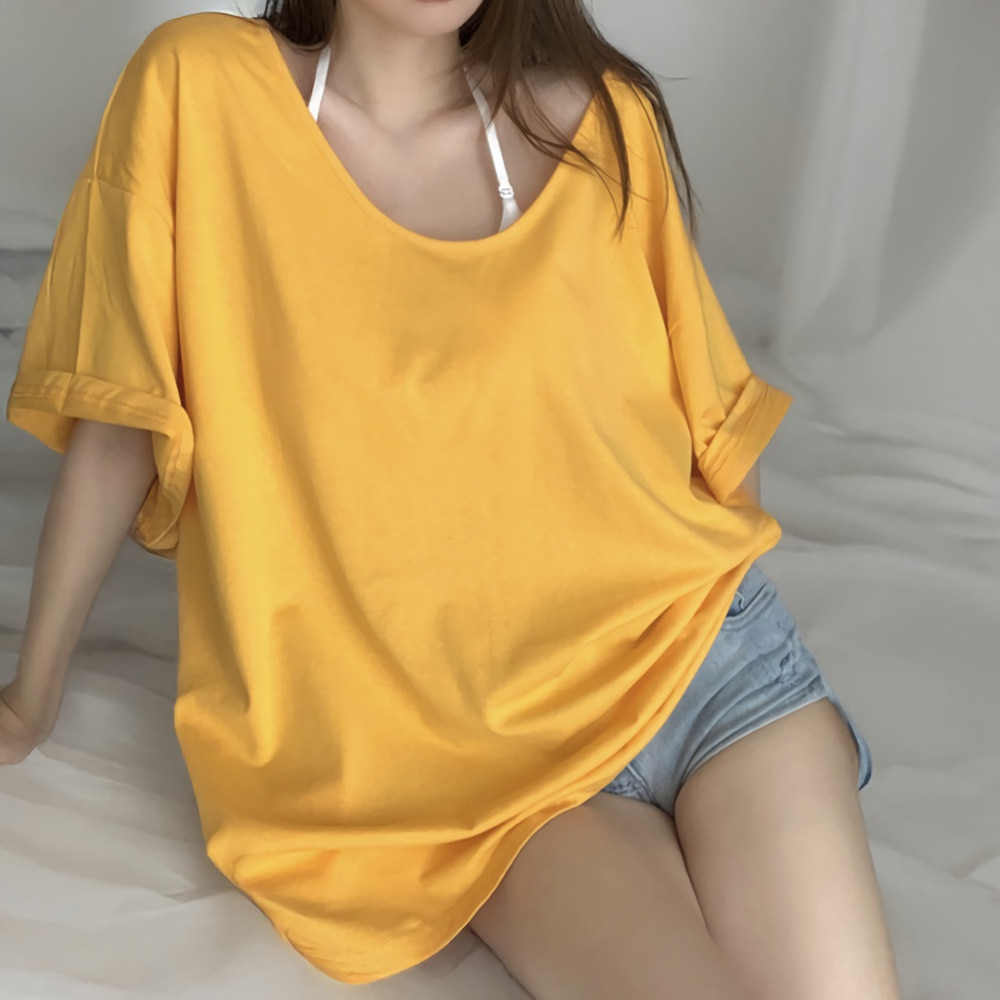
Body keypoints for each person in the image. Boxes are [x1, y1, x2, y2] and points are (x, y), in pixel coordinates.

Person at [1, 2, 902, 997]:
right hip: (480, 773)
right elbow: (121, 423)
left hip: (709, 666)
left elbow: (716, 430)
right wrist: (29, 700)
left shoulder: (601, 123)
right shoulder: (200, 89)